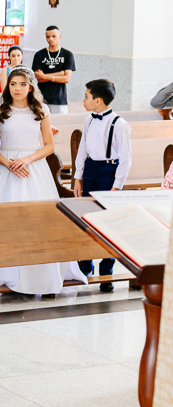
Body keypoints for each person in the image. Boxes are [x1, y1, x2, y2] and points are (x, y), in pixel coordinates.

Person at [0, 68, 87, 296]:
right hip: (6, 170)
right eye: (13, 84)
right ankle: (5, 274)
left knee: (38, 223)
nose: (17, 89)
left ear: (30, 87)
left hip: (34, 168)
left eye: (22, 84)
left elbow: (49, 145)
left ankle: (40, 275)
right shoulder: (0, 110)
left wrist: (25, 160)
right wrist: (9, 164)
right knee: (6, 223)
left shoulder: (41, 110)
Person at [73, 79, 132, 291]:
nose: (83, 100)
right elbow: (82, 150)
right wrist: (78, 177)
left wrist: (117, 187)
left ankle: (106, 268)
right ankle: (85, 263)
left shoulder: (119, 124)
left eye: (86, 97)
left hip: (109, 172)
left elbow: (125, 159)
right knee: (87, 219)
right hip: (90, 171)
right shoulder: (88, 119)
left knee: (109, 222)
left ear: (98, 100)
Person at [32, 26, 76, 114]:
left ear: (60, 37)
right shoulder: (39, 54)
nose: (50, 39)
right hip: (41, 98)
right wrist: (60, 73)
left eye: (53, 36)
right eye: (48, 37)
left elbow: (66, 78)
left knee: (59, 125)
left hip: (59, 99)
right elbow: (39, 79)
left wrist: (45, 76)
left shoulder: (67, 54)